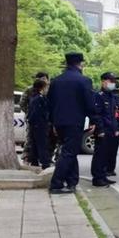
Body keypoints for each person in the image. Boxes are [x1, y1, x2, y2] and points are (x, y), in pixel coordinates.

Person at [47, 53, 95, 194]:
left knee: (70, 151)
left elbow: (50, 103)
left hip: (59, 122)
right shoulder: (84, 81)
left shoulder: (56, 80)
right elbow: (89, 104)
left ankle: (72, 181)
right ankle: (56, 183)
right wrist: (94, 120)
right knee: (68, 153)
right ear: (80, 64)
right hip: (75, 122)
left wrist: (53, 123)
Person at [90, 73, 119, 187]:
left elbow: (112, 115)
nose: (113, 83)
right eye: (111, 81)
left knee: (106, 154)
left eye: (113, 81)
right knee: (100, 154)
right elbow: (96, 114)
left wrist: (115, 128)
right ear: (103, 81)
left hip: (110, 130)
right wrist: (100, 129)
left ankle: (103, 175)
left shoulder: (111, 96)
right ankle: (97, 178)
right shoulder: (98, 96)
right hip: (103, 130)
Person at [21, 72, 50, 163]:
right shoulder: (30, 90)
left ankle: (39, 159)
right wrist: (29, 112)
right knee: (31, 139)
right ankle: (28, 157)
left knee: (45, 139)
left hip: (44, 119)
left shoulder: (49, 89)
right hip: (35, 118)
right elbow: (22, 103)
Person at [27, 79, 51, 170]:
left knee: (35, 144)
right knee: (42, 144)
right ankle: (45, 163)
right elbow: (38, 113)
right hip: (39, 125)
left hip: (35, 125)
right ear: (42, 87)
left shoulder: (34, 97)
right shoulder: (39, 98)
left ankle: (34, 162)